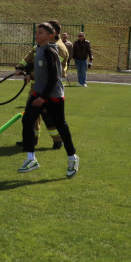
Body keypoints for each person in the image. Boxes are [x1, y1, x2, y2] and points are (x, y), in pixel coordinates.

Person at [17, 22, 81, 178]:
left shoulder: (51, 51)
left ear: (50, 36)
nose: (37, 35)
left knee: (61, 125)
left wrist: (43, 97)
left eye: (41, 33)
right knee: (27, 121)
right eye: (36, 32)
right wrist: (26, 73)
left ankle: (72, 158)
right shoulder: (39, 49)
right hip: (38, 93)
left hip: (52, 95)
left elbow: (53, 77)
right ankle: (31, 159)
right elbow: (39, 69)